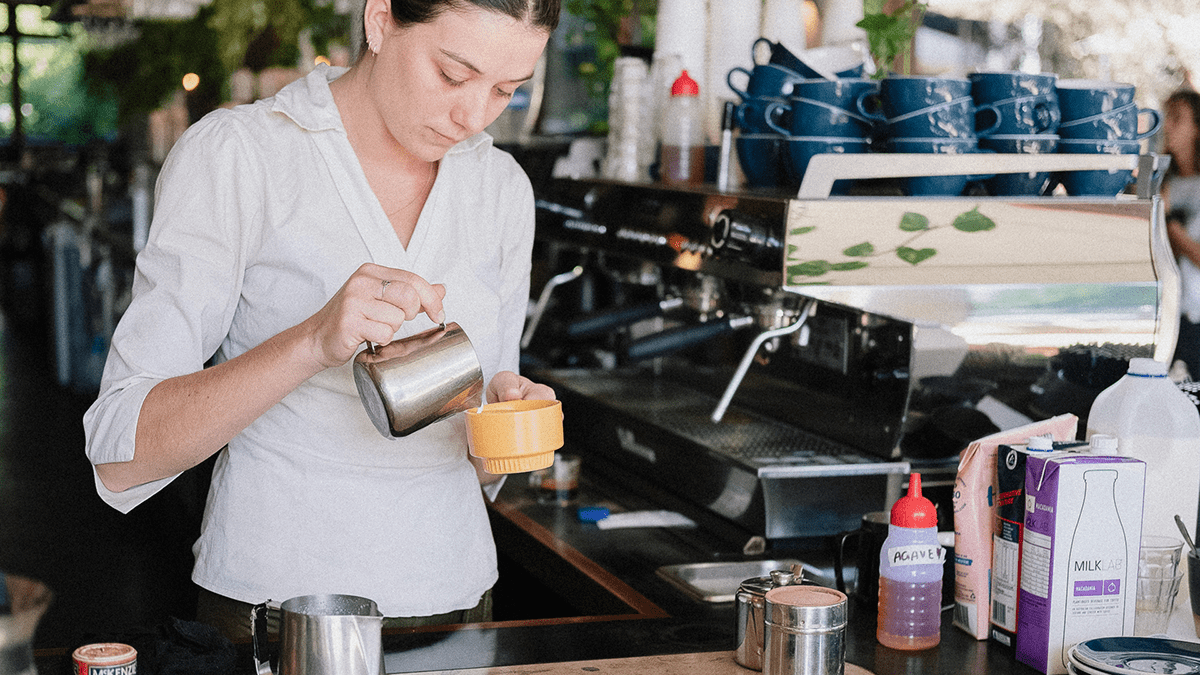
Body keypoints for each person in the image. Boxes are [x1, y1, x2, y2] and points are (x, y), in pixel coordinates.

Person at [83, 0, 560, 640]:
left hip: (457, 601)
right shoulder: (241, 156)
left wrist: (504, 412)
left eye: (506, 90)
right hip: (277, 612)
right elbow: (123, 450)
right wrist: (311, 342)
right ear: (381, 19)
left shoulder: (501, 187)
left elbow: (480, 455)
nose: (472, 117)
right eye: (452, 75)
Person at [1162, 88, 1200, 379]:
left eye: (1178, 118)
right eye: (1166, 118)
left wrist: (1170, 222)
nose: (1168, 126)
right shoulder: (1165, 184)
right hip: (1172, 316)